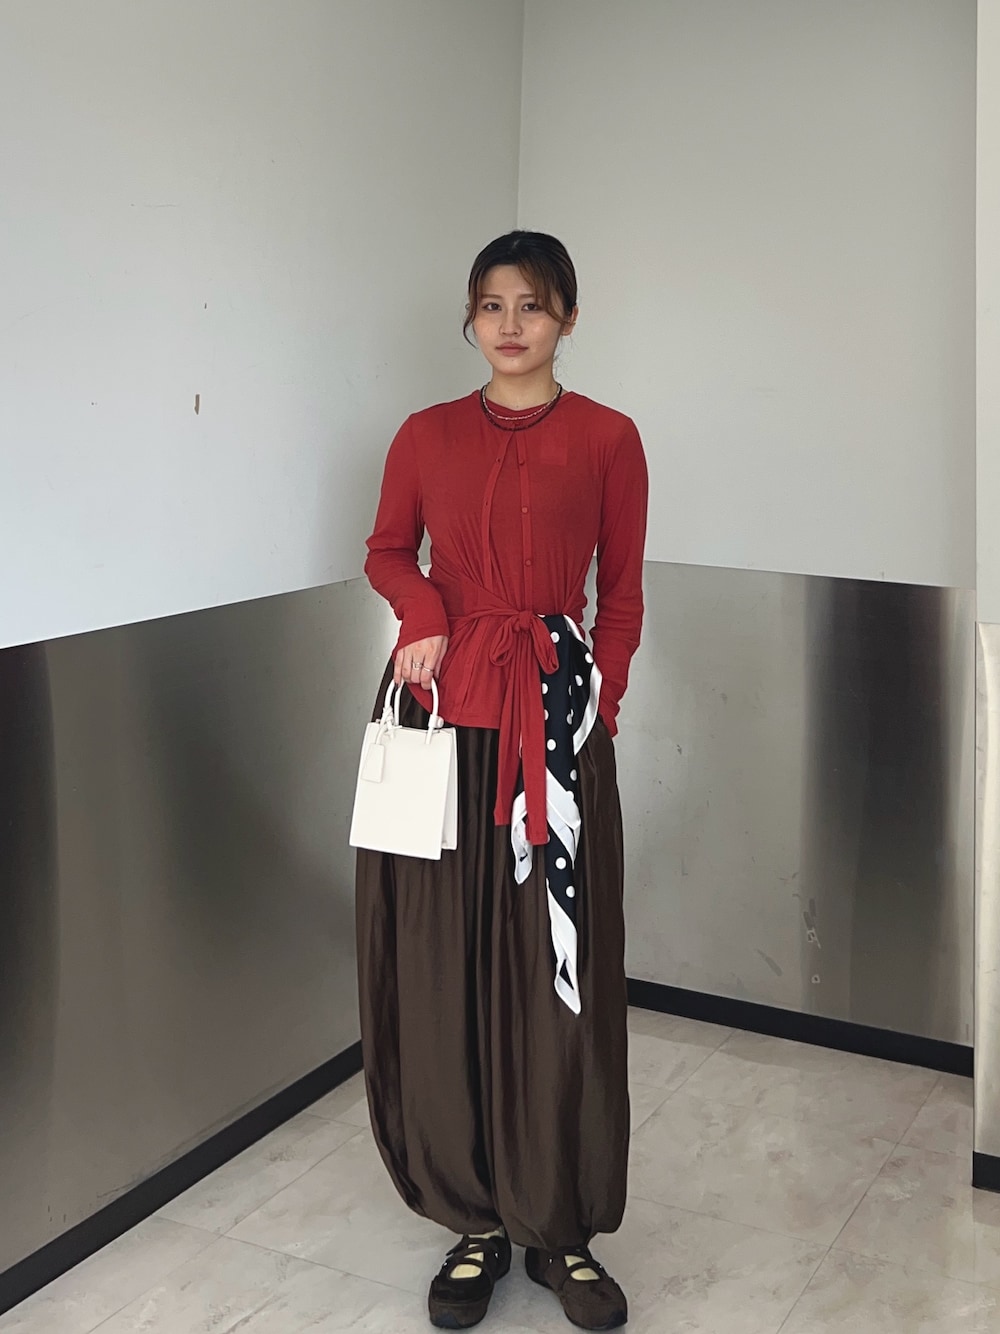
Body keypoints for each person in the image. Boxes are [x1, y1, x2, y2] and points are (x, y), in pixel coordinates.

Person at [356, 230, 648, 1331]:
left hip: (555, 738)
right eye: (491, 305)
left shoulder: (609, 438)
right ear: (470, 319)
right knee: (444, 972)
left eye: (532, 304)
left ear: (568, 315)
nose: (510, 324)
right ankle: (472, 1217)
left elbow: (620, 594)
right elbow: (389, 549)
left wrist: (597, 708)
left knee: (555, 978)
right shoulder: (423, 433)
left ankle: (558, 1223)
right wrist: (423, 612)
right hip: (442, 727)